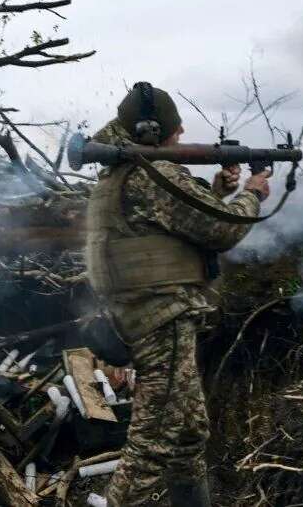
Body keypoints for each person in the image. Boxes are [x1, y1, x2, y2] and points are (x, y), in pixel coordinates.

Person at [84, 83, 270, 507]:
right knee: (153, 444)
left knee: (187, 435)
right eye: (174, 127)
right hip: (161, 318)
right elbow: (221, 229)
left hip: (142, 313)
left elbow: (176, 220)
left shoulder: (122, 172)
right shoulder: (153, 173)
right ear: (151, 130)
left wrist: (219, 191)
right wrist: (253, 194)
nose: (182, 130)